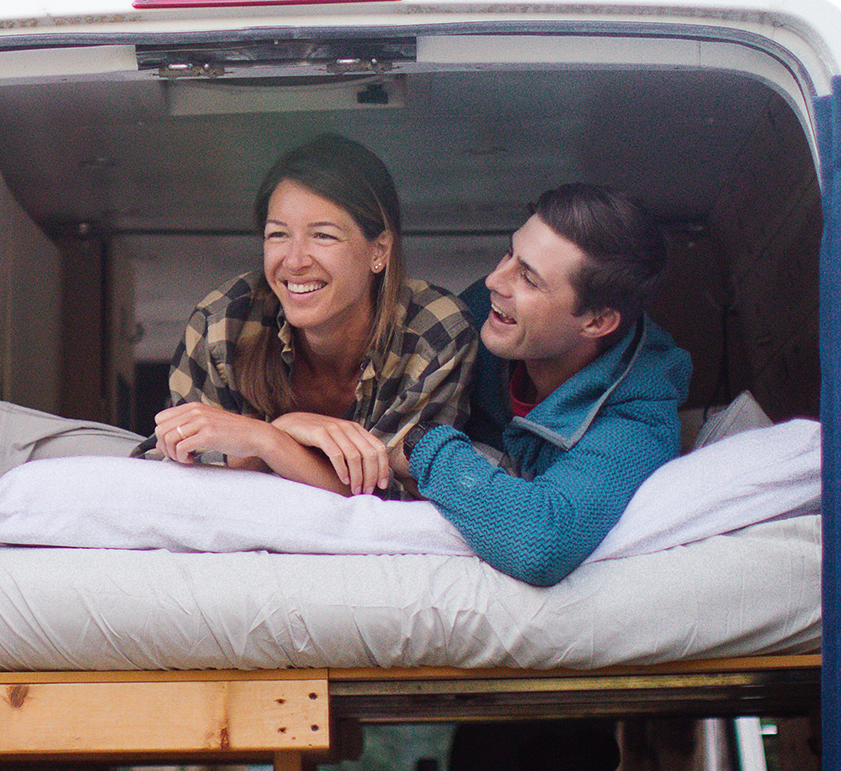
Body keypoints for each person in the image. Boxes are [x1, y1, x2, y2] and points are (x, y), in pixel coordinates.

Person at [288, 182, 690, 587]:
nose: (495, 280)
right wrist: (285, 428)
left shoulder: (637, 422)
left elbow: (540, 542)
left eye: (529, 279)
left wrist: (421, 445)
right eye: (509, 254)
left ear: (597, 321)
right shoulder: (480, 317)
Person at [149, 135, 479, 499]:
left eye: (323, 236)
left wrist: (272, 441)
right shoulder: (223, 322)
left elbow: (404, 499)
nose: (294, 261)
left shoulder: (434, 332)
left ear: (379, 250)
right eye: (278, 234)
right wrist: (274, 436)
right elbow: (169, 475)